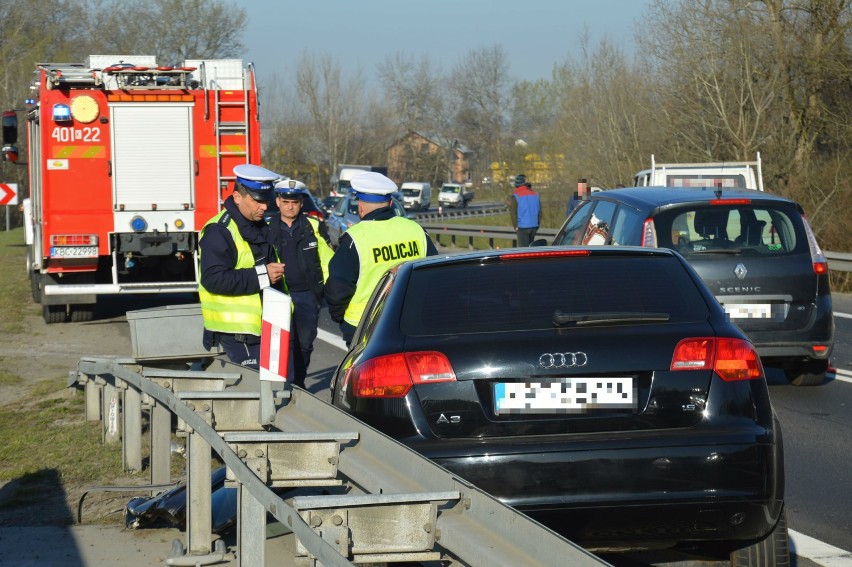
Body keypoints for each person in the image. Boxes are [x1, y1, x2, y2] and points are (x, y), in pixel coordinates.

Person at [325, 171, 439, 346]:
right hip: (411, 322)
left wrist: (340, 318)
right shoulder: (416, 230)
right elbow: (434, 276)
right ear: (391, 203)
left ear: (360, 206)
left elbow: (337, 289)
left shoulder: (355, 239)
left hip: (364, 327)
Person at [198, 164, 286, 369]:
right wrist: (264, 276)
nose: (264, 207)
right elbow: (213, 279)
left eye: (266, 201)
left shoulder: (257, 225)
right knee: (255, 396)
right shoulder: (219, 230)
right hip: (238, 336)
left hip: (268, 328)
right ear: (237, 197)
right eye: (257, 200)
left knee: (274, 394)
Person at [267, 179, 334, 388]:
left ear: (301, 203)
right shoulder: (266, 228)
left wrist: (324, 292)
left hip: (307, 295)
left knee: (304, 344)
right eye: (285, 201)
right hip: (278, 295)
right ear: (277, 202)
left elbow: (328, 260)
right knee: (281, 344)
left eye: (294, 202)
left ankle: (298, 382)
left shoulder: (314, 226)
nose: (290, 206)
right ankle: (281, 386)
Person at [508, 174, 541, 246]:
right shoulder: (535, 194)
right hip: (533, 226)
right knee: (531, 249)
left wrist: (516, 226)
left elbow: (513, 213)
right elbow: (539, 212)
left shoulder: (516, 196)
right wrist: (537, 224)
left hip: (522, 227)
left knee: (523, 250)